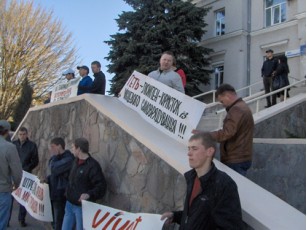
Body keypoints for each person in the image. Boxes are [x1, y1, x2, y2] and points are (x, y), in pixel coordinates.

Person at [161, 132, 243, 229]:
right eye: (189, 148)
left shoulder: (225, 185)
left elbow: (230, 227)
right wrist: (175, 216)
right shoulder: (192, 178)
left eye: (194, 149)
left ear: (210, 151)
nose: (189, 153)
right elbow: (194, 216)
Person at [208, 84, 254, 176]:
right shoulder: (241, 106)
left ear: (228, 96)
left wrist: (206, 135)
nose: (222, 105)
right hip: (240, 157)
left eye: (222, 101)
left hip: (235, 159)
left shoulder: (236, 109)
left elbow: (226, 133)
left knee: (234, 188)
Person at [62, 137, 107, 230]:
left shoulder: (93, 166)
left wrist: (89, 194)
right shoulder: (75, 161)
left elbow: (101, 186)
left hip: (82, 208)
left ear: (79, 149)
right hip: (69, 204)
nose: (72, 149)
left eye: (73, 147)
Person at [13, 127, 39, 227]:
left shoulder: (32, 146)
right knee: (10, 197)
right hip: (14, 174)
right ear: (18, 135)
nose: (22, 136)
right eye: (20, 134)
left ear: (27, 134)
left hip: (26, 174)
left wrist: (26, 168)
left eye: (24, 134)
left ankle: (21, 219)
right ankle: (5, 219)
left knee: (23, 197)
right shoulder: (13, 145)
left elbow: (35, 161)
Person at [47, 137, 74, 230]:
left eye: (53, 147)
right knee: (54, 219)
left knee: (59, 220)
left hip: (61, 194)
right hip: (54, 193)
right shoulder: (57, 158)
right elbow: (52, 169)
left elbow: (54, 169)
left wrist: (54, 157)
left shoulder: (69, 158)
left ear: (59, 146)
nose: (52, 149)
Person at [0, 120, 23, 229]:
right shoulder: (9, 147)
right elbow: (17, 172)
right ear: (7, 132)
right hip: (3, 190)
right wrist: (16, 184)